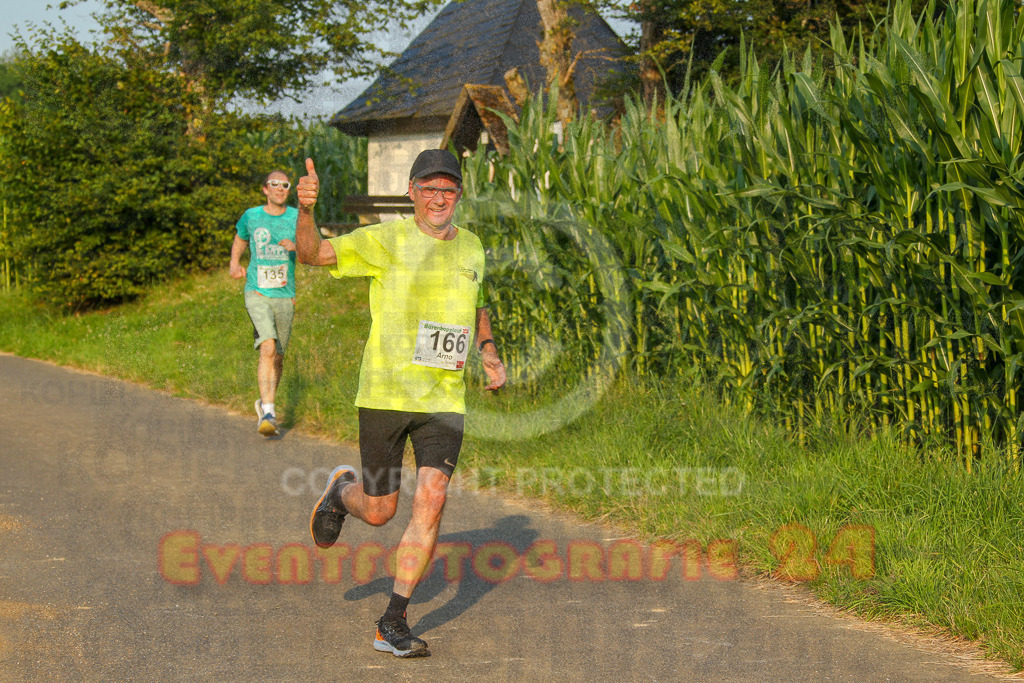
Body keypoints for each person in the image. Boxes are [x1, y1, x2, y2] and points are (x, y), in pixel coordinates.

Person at [296, 149, 506, 658]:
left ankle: (392, 621)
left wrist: (488, 351)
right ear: (411, 192)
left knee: (432, 499)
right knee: (380, 511)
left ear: (459, 194)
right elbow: (313, 254)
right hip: (386, 394)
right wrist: (305, 210)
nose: (439, 198)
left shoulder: (472, 246)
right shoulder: (384, 240)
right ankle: (341, 492)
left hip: (443, 399)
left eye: (448, 190)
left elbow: (477, 303)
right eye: (429, 188)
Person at [229, 170, 298, 436]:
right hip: (257, 292)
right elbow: (241, 238)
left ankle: (265, 402)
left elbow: (313, 248)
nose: (280, 188)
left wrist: (297, 247)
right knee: (267, 347)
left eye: (285, 184)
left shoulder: (296, 217)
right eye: (274, 184)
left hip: (285, 296)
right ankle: (269, 413)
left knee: (278, 356)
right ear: (265, 189)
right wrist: (234, 262)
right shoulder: (252, 216)